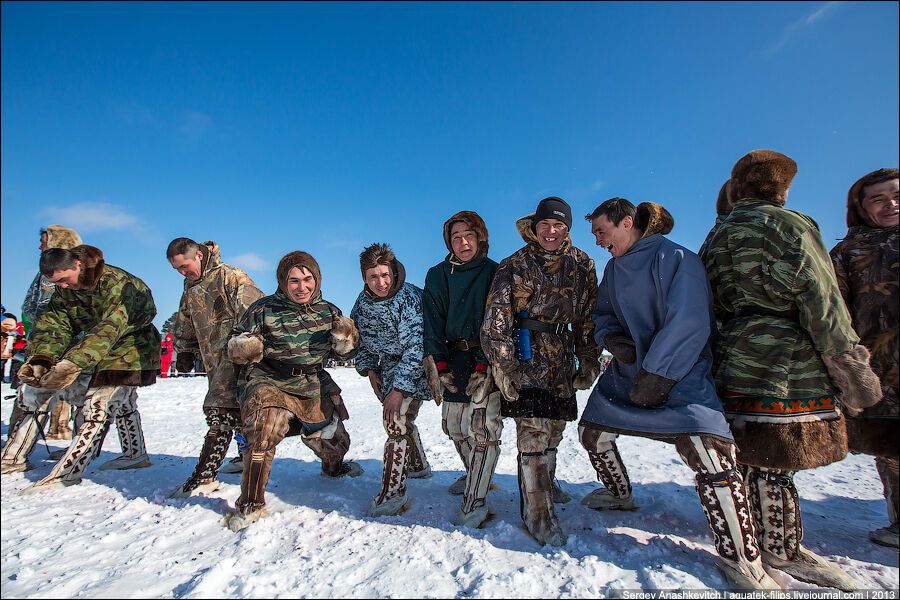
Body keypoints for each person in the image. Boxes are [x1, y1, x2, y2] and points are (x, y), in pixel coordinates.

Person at [703, 150, 883, 591]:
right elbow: (822, 301)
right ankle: (781, 547)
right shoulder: (789, 226)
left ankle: (751, 536)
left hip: (732, 354)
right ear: (779, 188)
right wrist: (852, 370)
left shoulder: (715, 236)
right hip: (786, 359)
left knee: (743, 450)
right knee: (777, 457)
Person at [580, 197, 778, 590]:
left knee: (710, 454)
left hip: (681, 373)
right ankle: (619, 494)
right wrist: (611, 337)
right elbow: (601, 315)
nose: (599, 241)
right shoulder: (613, 268)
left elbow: (688, 321)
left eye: (602, 231)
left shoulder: (676, 258)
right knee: (592, 431)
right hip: (627, 373)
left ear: (625, 222)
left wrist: (659, 375)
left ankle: (743, 559)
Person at [481, 196, 600, 546]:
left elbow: (588, 316)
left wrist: (589, 358)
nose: (552, 231)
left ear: (567, 228)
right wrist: (505, 365)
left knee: (555, 432)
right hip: (526, 357)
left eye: (559, 225)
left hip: (562, 360)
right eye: (545, 225)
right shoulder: (514, 264)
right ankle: (537, 514)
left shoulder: (582, 264)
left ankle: (547, 484)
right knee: (531, 434)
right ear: (535, 227)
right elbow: (496, 320)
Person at [224, 251, 362, 531]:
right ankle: (251, 504)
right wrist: (245, 345)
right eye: (294, 280)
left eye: (307, 279)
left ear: (316, 279)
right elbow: (234, 343)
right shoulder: (263, 309)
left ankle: (333, 466)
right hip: (269, 380)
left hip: (310, 383)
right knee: (264, 428)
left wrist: (347, 340)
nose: (302, 287)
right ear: (283, 282)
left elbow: (348, 354)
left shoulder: (328, 311)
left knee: (332, 438)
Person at [14, 244, 159, 491]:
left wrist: (73, 363)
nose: (62, 287)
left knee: (100, 402)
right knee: (122, 402)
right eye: (55, 283)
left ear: (78, 265)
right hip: (96, 345)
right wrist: (43, 358)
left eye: (64, 279)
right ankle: (135, 454)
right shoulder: (64, 291)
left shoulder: (114, 283)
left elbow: (109, 327)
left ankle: (69, 470)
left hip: (131, 345)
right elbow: (55, 324)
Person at [830, 168, 899, 548]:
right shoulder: (849, 252)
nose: (890, 204)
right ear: (862, 205)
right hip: (881, 364)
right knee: (891, 445)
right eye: (879, 198)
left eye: (896, 195)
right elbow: (834, 310)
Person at [165, 238, 264, 498]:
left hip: (237, 359)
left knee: (218, 412)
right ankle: (248, 458)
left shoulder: (230, 276)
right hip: (212, 362)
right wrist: (185, 350)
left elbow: (255, 312)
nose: (183, 273)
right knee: (240, 415)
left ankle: (205, 476)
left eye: (185, 266)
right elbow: (185, 320)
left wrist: (246, 350)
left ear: (198, 255)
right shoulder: (190, 286)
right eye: (177, 270)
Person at [422, 211, 500, 527]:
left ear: (480, 236)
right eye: (455, 237)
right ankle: (477, 473)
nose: (463, 241)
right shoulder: (438, 274)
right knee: (453, 426)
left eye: (469, 234)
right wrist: (438, 365)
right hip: (453, 360)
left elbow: (498, 320)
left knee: (482, 429)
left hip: (487, 358)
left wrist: (486, 364)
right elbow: (432, 322)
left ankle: (475, 500)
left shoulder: (496, 272)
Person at [351, 243, 433, 517]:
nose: (381, 282)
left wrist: (399, 389)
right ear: (364, 277)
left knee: (394, 420)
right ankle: (418, 465)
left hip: (417, 368)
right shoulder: (362, 303)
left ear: (393, 271)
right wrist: (369, 370)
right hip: (385, 370)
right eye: (373, 276)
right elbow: (358, 338)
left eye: (385, 275)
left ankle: (393, 492)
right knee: (402, 419)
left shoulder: (408, 299)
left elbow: (416, 346)